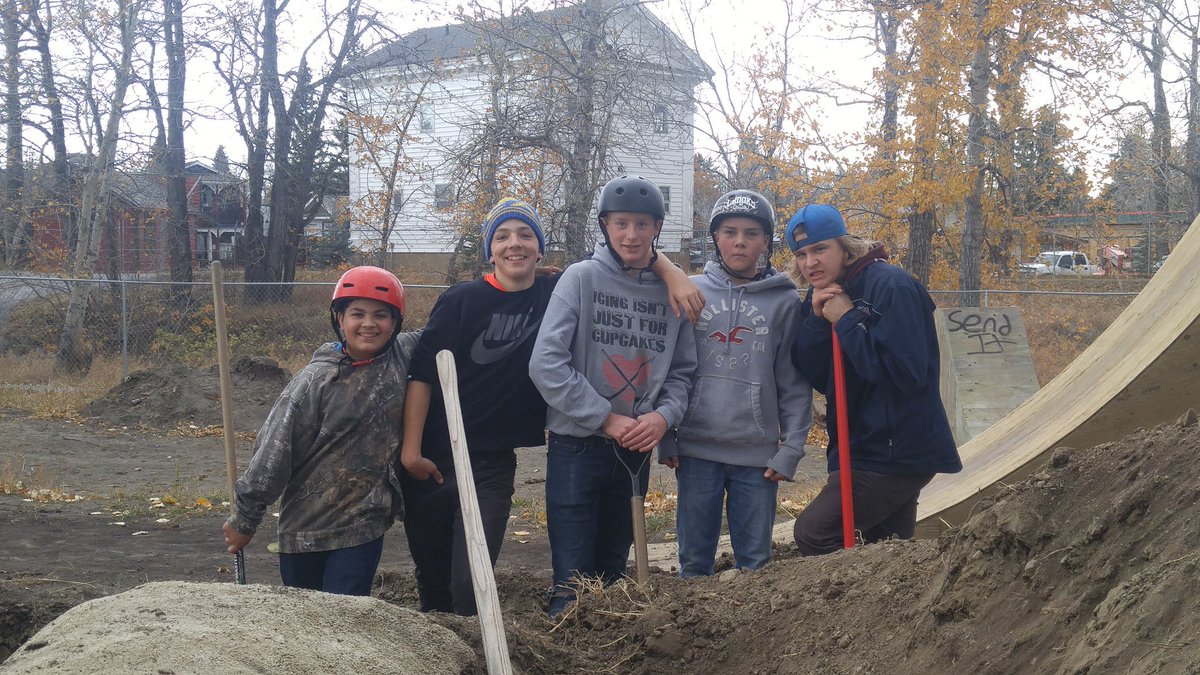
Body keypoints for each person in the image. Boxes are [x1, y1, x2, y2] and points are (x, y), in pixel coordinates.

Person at [401, 196, 702, 616]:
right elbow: (424, 373)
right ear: (489, 249)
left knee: (475, 575)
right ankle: (440, 639)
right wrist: (410, 448)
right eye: (502, 236)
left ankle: (472, 630)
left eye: (526, 235)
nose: (515, 244)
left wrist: (669, 269)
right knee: (434, 568)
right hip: (440, 449)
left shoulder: (553, 288)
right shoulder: (465, 299)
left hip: (494, 456)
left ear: (541, 248)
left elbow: (627, 254)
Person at [530, 175, 698, 619]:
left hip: (635, 449)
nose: (631, 235)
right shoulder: (580, 279)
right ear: (605, 224)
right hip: (576, 444)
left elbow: (683, 372)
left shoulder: (671, 292)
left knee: (613, 570)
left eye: (642, 224)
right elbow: (545, 363)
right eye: (621, 223)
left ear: (657, 228)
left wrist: (664, 417)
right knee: (571, 577)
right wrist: (605, 418)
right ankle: (564, 645)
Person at [222, 266, 418, 595]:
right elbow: (274, 452)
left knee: (345, 616)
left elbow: (452, 324)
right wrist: (245, 519)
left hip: (362, 527)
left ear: (396, 323)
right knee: (309, 624)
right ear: (339, 320)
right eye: (357, 314)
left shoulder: (403, 355)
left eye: (381, 315)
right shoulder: (314, 382)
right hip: (304, 531)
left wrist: (523, 281)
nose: (369, 324)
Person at [785, 204, 961, 555]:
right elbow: (818, 373)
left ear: (845, 247)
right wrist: (820, 322)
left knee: (814, 533)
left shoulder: (892, 287)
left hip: (895, 451)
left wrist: (848, 319)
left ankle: (846, 610)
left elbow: (905, 374)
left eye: (820, 249)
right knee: (886, 554)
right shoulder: (824, 293)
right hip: (861, 446)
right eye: (801, 254)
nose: (810, 263)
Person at [659, 189, 812, 576]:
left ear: (766, 241)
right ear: (715, 237)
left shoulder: (784, 302)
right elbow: (668, 369)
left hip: (757, 459)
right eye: (729, 231)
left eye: (751, 233)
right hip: (696, 452)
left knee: (755, 566)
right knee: (693, 562)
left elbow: (792, 381)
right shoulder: (688, 290)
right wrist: (666, 434)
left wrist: (791, 447)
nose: (740, 241)